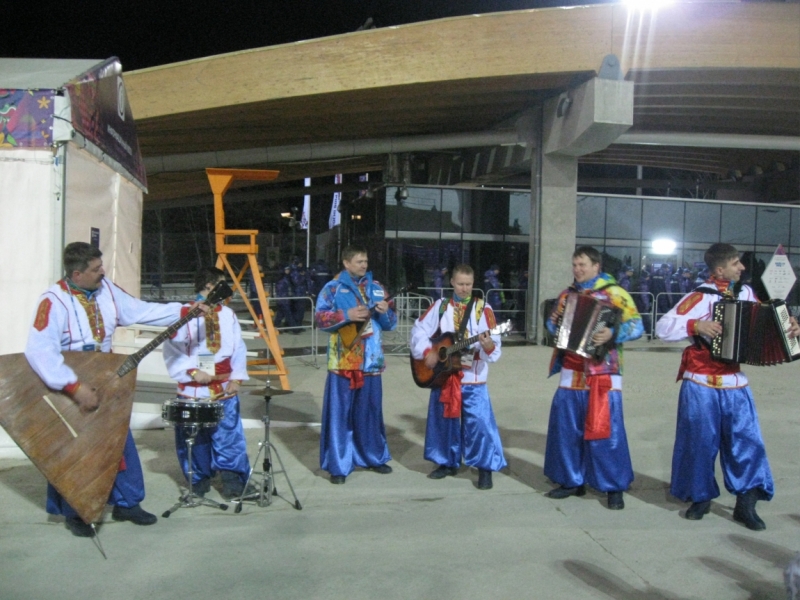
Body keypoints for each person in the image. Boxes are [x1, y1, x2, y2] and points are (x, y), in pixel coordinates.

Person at [24, 242, 187, 537]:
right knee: (76, 452)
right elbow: (40, 352)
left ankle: (127, 503)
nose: (103, 272)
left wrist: (184, 310)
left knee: (119, 440)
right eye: (96, 269)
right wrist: (73, 387)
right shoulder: (52, 301)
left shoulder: (106, 290)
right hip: (70, 384)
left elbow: (140, 310)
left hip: (106, 377)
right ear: (77, 273)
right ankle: (76, 512)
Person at [655, 243, 800, 530]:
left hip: (735, 383)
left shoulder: (746, 293)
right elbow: (663, 327)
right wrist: (696, 326)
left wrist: (790, 326)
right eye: (736, 263)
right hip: (700, 383)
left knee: (747, 442)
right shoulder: (697, 297)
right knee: (698, 443)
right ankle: (700, 497)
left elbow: (765, 323)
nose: (742, 267)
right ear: (719, 269)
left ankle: (746, 502)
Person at [543, 246, 644, 510]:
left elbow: (637, 326)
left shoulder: (615, 293)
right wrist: (552, 322)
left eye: (582, 265)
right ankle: (570, 480)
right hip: (571, 372)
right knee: (567, 430)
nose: (577, 270)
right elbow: (554, 328)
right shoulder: (568, 295)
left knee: (606, 431)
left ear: (596, 266)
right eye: (575, 265)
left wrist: (613, 334)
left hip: (603, 372)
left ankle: (613, 486)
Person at [410, 264, 506, 490]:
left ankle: (484, 468)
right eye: (460, 284)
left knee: (480, 424)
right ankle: (445, 462)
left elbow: (495, 347)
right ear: (451, 282)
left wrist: (489, 345)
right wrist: (428, 352)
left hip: (474, 378)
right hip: (444, 376)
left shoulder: (484, 309)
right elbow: (418, 330)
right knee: (443, 421)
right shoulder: (440, 307)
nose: (464, 288)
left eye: (469, 284)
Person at [162, 267, 253, 499]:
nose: (226, 291)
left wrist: (237, 378)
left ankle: (233, 481)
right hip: (194, 390)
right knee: (194, 437)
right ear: (210, 286)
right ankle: (198, 479)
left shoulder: (228, 314)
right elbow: (172, 349)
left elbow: (239, 347)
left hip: (223, 388)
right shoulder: (186, 313)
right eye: (221, 285)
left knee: (229, 435)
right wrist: (191, 372)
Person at [315, 245, 397, 484]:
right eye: (360, 261)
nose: (364, 265)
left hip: (371, 363)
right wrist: (346, 315)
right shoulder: (332, 288)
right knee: (340, 416)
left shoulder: (377, 288)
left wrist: (384, 313)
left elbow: (391, 322)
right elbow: (319, 319)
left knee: (370, 413)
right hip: (343, 362)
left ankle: (373, 457)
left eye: (366, 260)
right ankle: (338, 465)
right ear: (346, 263)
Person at [273, 265, 297, 331]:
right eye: (286, 270)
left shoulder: (285, 278)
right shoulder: (282, 279)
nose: (288, 271)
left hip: (283, 299)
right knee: (288, 314)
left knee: (280, 314)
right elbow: (280, 289)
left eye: (288, 270)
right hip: (283, 299)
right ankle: (294, 329)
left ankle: (275, 326)